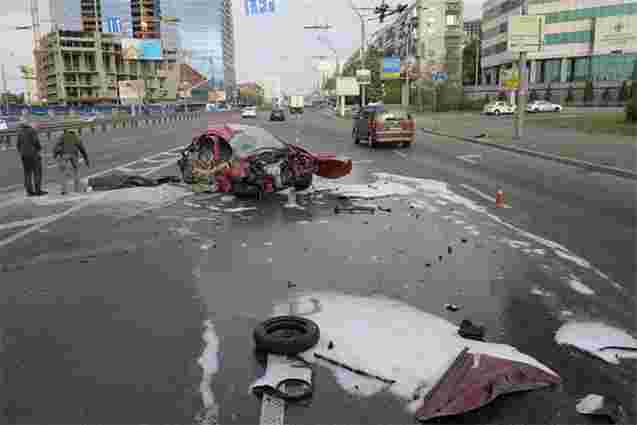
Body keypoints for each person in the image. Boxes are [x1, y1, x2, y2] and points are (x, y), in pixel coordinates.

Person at [53, 129, 90, 194]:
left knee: (63, 173)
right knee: (76, 171)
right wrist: (86, 159)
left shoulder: (62, 136)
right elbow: (82, 148)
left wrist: (55, 155)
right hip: (74, 155)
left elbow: (56, 146)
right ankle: (77, 189)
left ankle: (64, 190)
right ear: (73, 132)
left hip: (64, 155)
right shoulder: (76, 137)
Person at [16, 119, 46, 196]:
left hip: (24, 155)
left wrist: (21, 152)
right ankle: (38, 190)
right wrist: (39, 149)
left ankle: (29, 191)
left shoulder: (20, 132)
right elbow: (36, 142)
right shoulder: (32, 131)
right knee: (37, 172)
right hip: (33, 154)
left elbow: (18, 145)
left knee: (27, 173)